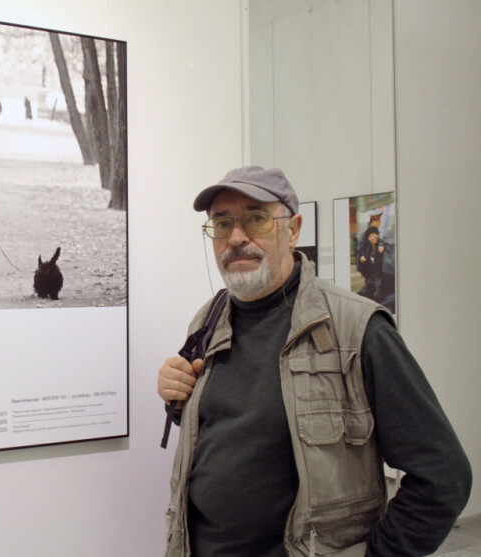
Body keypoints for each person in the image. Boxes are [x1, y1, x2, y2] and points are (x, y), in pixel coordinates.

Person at [158, 166, 471, 556]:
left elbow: (444, 477)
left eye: (255, 218)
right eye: (222, 223)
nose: (236, 238)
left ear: (292, 230)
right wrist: (177, 398)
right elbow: (220, 429)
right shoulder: (207, 319)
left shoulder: (357, 329)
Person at [356, 225, 386, 302]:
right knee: (361, 294)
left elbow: (383, 243)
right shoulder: (368, 248)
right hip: (371, 276)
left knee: (377, 294)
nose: (372, 238)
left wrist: (382, 246)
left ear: (377, 235)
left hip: (380, 276)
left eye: (373, 235)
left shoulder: (381, 244)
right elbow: (361, 254)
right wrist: (362, 258)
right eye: (370, 236)